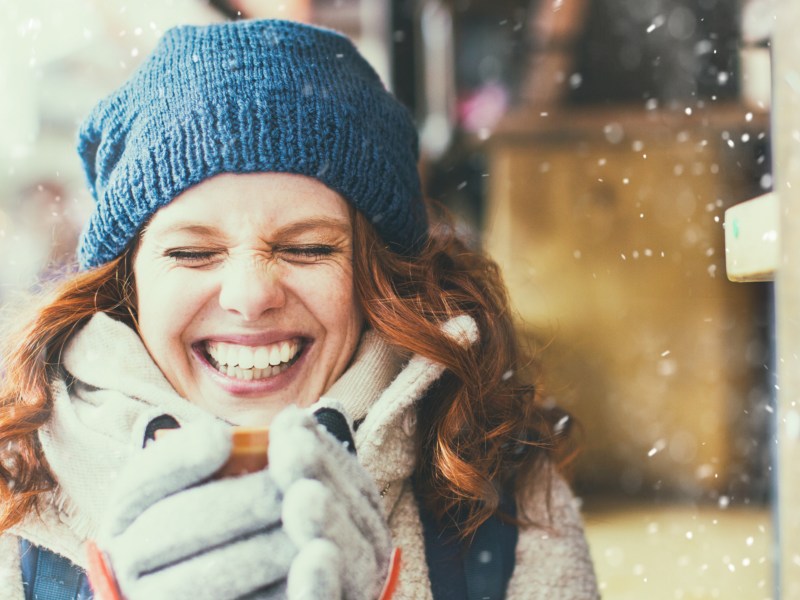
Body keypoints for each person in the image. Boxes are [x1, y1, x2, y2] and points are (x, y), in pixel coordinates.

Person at [0, 18, 599, 600]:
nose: (251, 294)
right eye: (191, 251)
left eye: (307, 248)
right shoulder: (15, 498)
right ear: (126, 284)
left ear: (384, 277)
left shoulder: (501, 493)